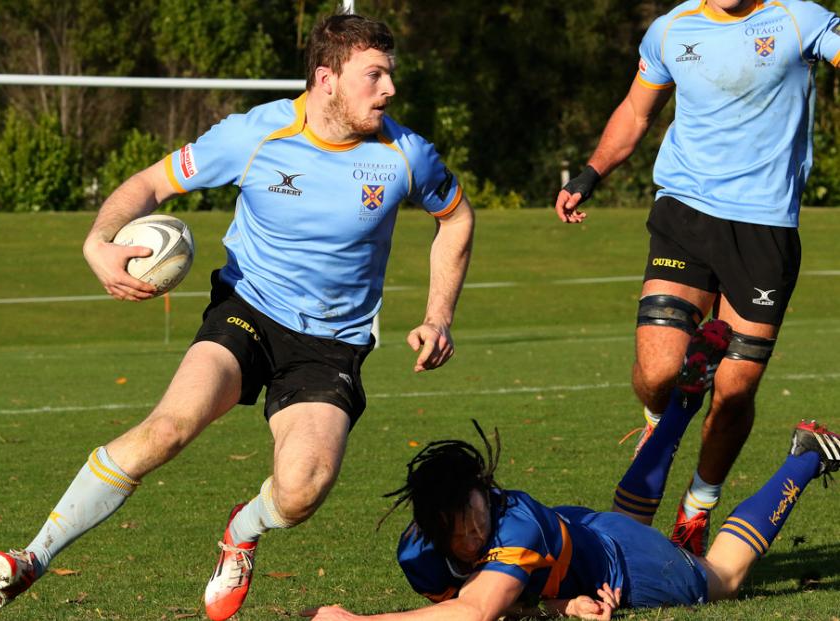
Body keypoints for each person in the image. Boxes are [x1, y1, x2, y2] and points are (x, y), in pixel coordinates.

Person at [0, 13, 474, 620]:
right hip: (247, 311)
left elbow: (457, 218)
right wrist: (98, 240)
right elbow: (150, 184)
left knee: (301, 491)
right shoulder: (255, 135)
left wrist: (438, 315)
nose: (389, 89)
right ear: (326, 79)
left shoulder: (406, 155)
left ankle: (242, 529)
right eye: (374, 76)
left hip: (330, 345)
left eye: (389, 75)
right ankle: (33, 556)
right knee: (167, 428)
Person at [301, 321, 840, 620]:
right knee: (628, 511)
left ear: (486, 493)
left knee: (721, 578)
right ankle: (684, 398)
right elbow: (491, 609)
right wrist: (560, 608)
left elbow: (477, 612)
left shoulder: (511, 525)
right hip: (579, 536)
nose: (472, 535)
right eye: (455, 529)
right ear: (427, 528)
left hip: (619, 563)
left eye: (474, 515)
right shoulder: (417, 552)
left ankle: (808, 453)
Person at [553, 0, 840, 556]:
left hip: (764, 232)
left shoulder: (799, 17)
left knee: (733, 392)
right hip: (685, 214)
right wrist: (591, 173)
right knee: (660, 370)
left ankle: (696, 509)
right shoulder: (672, 29)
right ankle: (658, 422)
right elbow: (636, 113)